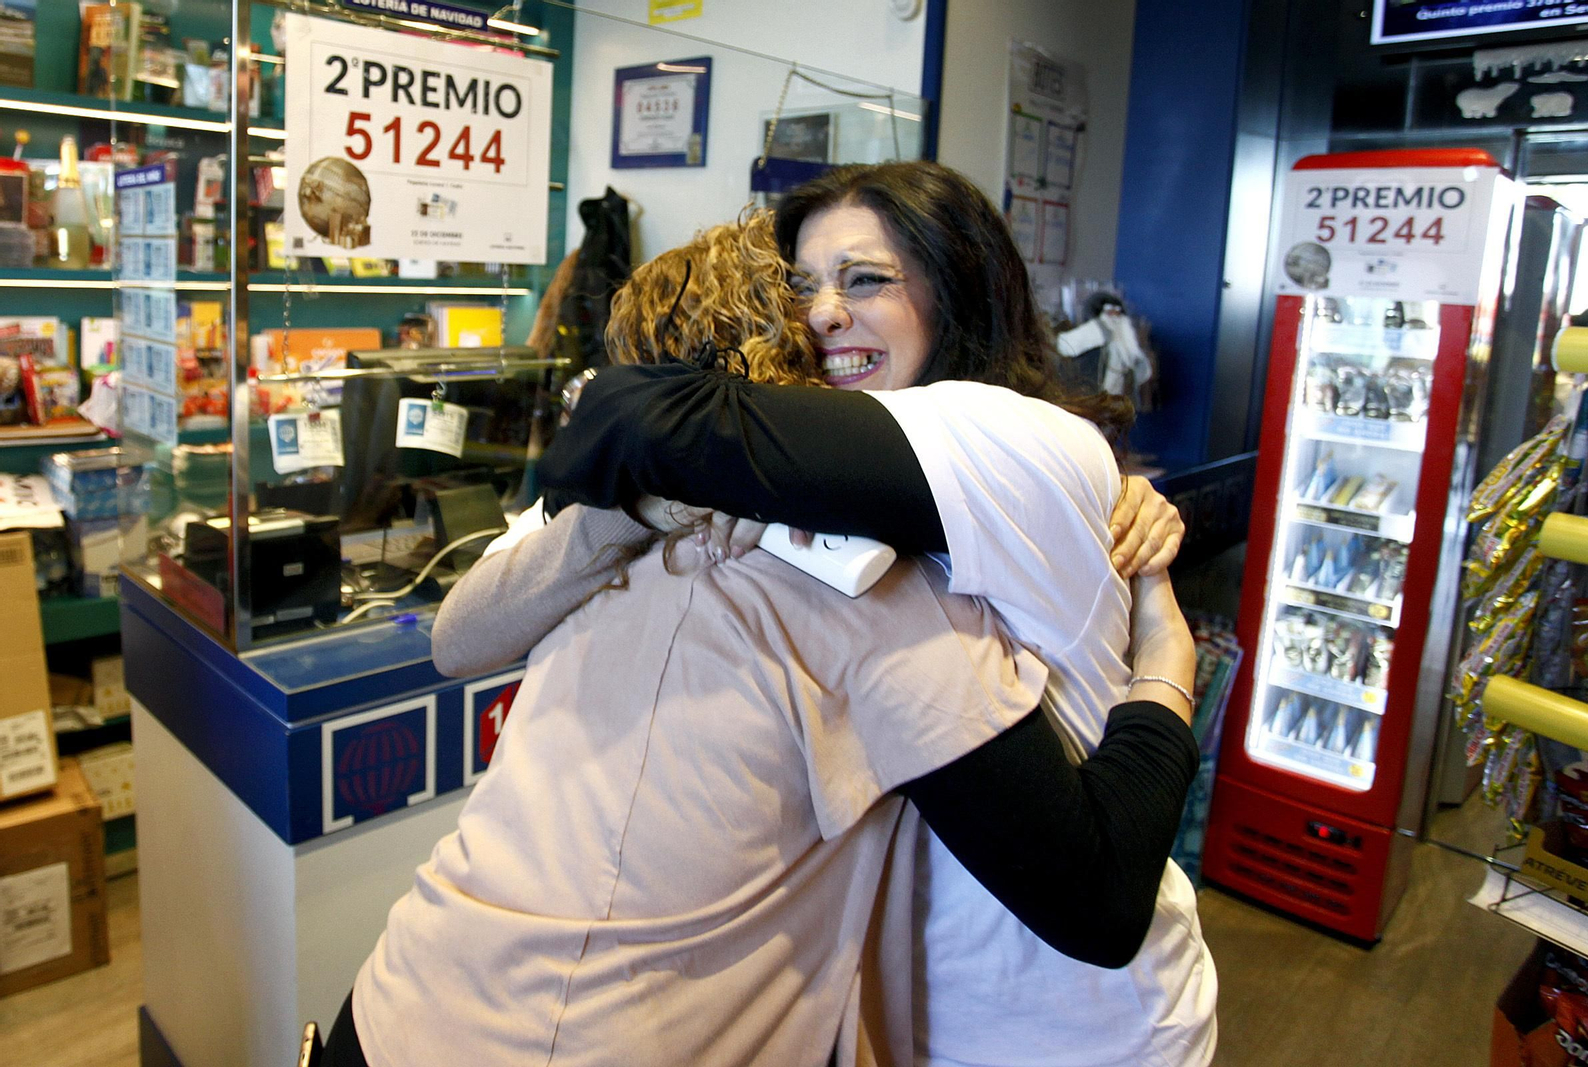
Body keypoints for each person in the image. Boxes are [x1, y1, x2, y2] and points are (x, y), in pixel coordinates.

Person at [320, 215, 1201, 1067]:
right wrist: (1167, 666)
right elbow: (1095, 894)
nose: (830, 312)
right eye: (810, 290)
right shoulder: (869, 583)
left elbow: (457, 638)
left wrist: (623, 513)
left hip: (402, 995)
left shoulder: (596, 524)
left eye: (863, 281)